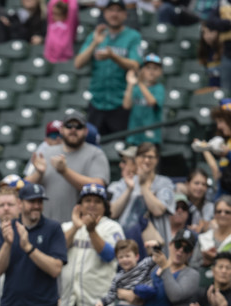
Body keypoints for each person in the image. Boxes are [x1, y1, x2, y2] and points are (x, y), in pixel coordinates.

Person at [0, 184, 68, 306]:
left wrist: (28, 247)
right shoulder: (7, 228)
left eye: (39, 201)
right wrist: (8, 244)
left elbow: (56, 268)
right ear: (20, 203)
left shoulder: (53, 228)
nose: (36, 206)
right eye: (31, 202)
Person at [25, 110, 110, 223]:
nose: (73, 130)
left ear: (85, 131)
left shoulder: (95, 154)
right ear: (61, 130)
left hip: (79, 226)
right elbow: (25, 187)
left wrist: (65, 171)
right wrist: (38, 174)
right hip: (46, 225)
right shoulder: (47, 152)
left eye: (78, 126)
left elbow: (98, 186)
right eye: (69, 126)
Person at [59, 183, 124, 306]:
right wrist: (76, 226)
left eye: (97, 201)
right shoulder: (67, 226)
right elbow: (58, 251)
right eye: (87, 201)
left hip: (97, 305)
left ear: (105, 205)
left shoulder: (112, 227)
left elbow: (109, 255)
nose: (92, 205)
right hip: (68, 304)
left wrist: (92, 231)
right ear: (79, 205)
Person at [73, 0, 142, 136]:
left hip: (120, 103)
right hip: (97, 101)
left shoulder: (133, 36)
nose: (114, 14)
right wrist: (94, 43)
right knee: (92, 145)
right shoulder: (96, 35)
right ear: (104, 13)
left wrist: (113, 57)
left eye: (118, 11)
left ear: (125, 15)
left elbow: (136, 65)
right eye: (111, 10)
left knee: (119, 147)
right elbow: (78, 63)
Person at [110, 142, 175, 249]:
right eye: (142, 156)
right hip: (127, 244)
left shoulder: (164, 183)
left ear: (157, 159)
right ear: (135, 158)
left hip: (153, 245)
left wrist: (143, 186)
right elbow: (113, 212)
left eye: (150, 157)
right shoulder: (125, 182)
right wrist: (129, 189)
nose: (146, 160)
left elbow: (158, 210)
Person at [123, 54, 165, 147]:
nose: (151, 71)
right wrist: (130, 84)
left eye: (155, 68)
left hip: (151, 138)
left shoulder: (159, 88)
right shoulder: (136, 88)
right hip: (134, 136)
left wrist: (140, 82)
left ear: (160, 72)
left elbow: (152, 102)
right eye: (148, 68)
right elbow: (126, 105)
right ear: (142, 70)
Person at [198, 195, 231, 268]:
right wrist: (205, 262)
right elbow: (193, 265)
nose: (222, 214)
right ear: (214, 215)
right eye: (219, 211)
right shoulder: (203, 238)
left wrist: (215, 258)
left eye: (227, 212)